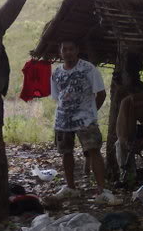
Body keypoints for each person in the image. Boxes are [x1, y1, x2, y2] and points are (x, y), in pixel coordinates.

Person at [48, 40, 119, 205]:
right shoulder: (56, 73)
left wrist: (90, 112)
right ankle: (71, 188)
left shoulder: (88, 69)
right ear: (60, 52)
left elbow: (100, 94)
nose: (68, 52)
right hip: (63, 120)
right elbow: (57, 97)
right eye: (64, 49)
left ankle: (101, 190)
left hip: (85, 119)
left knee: (94, 150)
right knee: (66, 152)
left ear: (77, 50)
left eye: (71, 49)